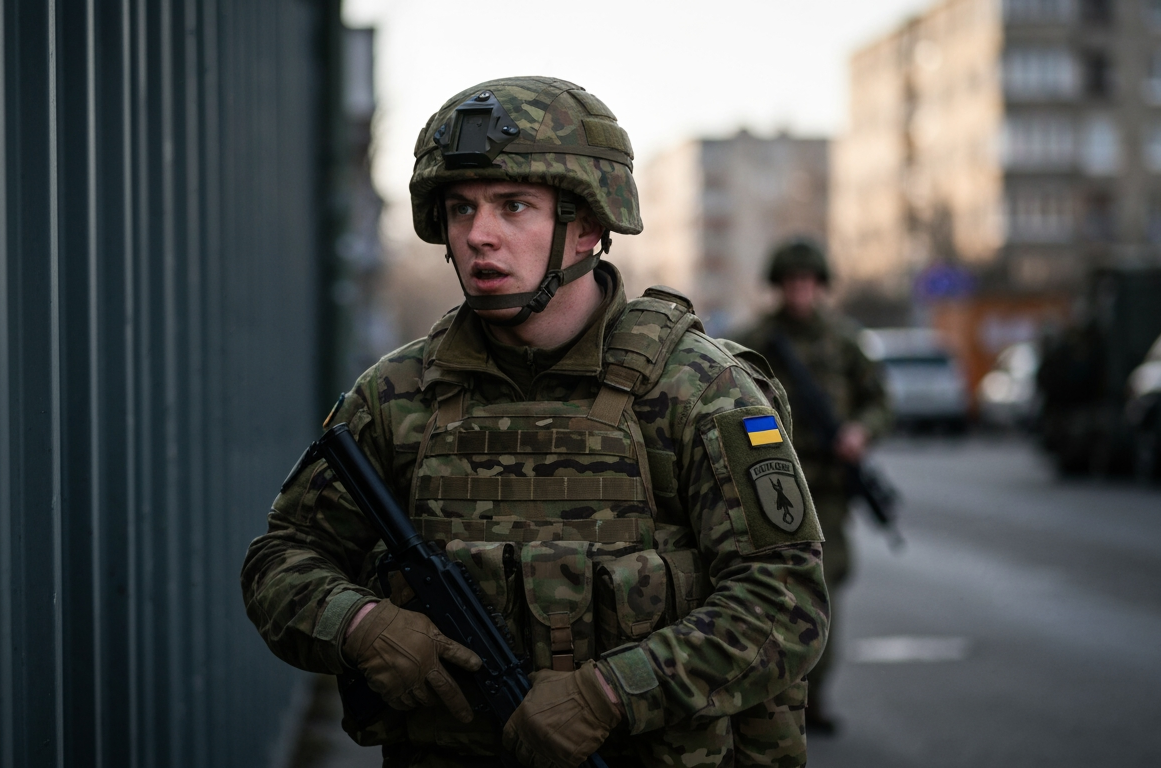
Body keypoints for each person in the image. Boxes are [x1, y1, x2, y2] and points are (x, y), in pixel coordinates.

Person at [242, 77, 828, 768]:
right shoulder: (397, 396)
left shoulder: (698, 390)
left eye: (513, 206)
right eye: (460, 209)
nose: (478, 235)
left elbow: (785, 597)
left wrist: (611, 694)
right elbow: (281, 559)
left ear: (588, 226)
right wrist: (362, 625)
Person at [732, 238, 892, 734]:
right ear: (778, 285)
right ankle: (765, 699)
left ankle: (811, 699)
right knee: (764, 591)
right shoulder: (754, 340)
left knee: (822, 591)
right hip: (766, 489)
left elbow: (879, 401)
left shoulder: (845, 341)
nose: (799, 290)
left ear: (820, 284)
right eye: (790, 281)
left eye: (807, 281)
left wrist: (860, 431)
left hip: (827, 489)